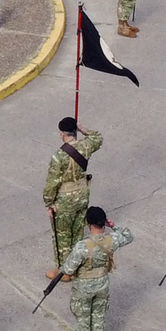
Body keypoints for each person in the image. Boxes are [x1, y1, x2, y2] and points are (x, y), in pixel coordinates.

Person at [43, 117, 102, 278]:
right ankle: (76, 266)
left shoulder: (59, 156)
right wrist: (84, 129)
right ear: (75, 131)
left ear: (62, 134)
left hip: (64, 200)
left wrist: (49, 202)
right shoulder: (85, 146)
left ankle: (65, 271)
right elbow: (98, 137)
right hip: (82, 195)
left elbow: (52, 183)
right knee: (77, 232)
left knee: (62, 236)